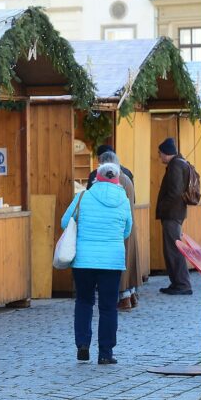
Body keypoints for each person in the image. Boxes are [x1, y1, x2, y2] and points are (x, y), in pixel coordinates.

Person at [62, 162, 132, 365]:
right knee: (108, 307)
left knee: (84, 302)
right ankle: (105, 353)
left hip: (84, 261)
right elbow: (127, 230)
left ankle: (83, 345)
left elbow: (65, 222)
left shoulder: (83, 197)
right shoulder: (124, 200)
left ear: (96, 178)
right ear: (117, 180)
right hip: (112, 262)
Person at [97, 151, 142, 311]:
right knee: (129, 261)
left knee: (120, 263)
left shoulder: (115, 180)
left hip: (118, 227)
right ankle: (131, 295)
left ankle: (124, 298)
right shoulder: (126, 178)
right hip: (128, 225)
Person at [156, 137, 193, 295]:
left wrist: (163, 207)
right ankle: (177, 283)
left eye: (160, 153)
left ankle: (182, 284)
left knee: (173, 250)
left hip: (172, 214)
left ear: (166, 153)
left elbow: (175, 192)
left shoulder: (175, 165)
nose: (159, 156)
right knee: (172, 248)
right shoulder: (179, 163)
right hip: (175, 213)